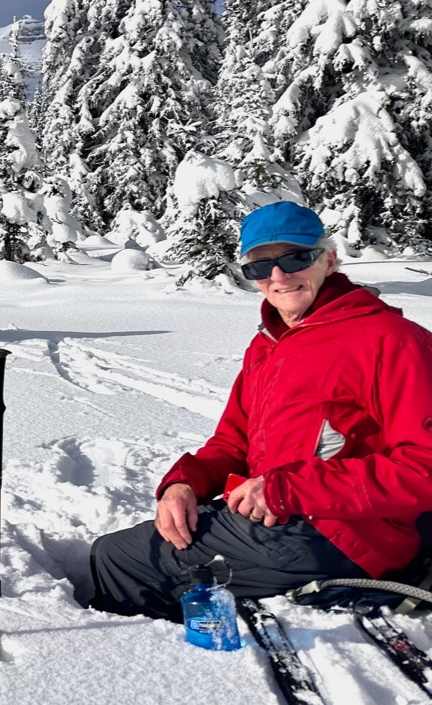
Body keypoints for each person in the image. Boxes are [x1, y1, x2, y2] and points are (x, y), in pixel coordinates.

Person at [88, 200, 432, 620]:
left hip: (347, 532)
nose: (279, 276)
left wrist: (288, 489)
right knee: (131, 548)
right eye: (259, 266)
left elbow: (424, 467)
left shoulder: (390, 340)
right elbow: (234, 440)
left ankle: (157, 665)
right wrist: (185, 483)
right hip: (284, 517)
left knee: (120, 558)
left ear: (328, 258)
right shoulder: (269, 344)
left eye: (295, 257)